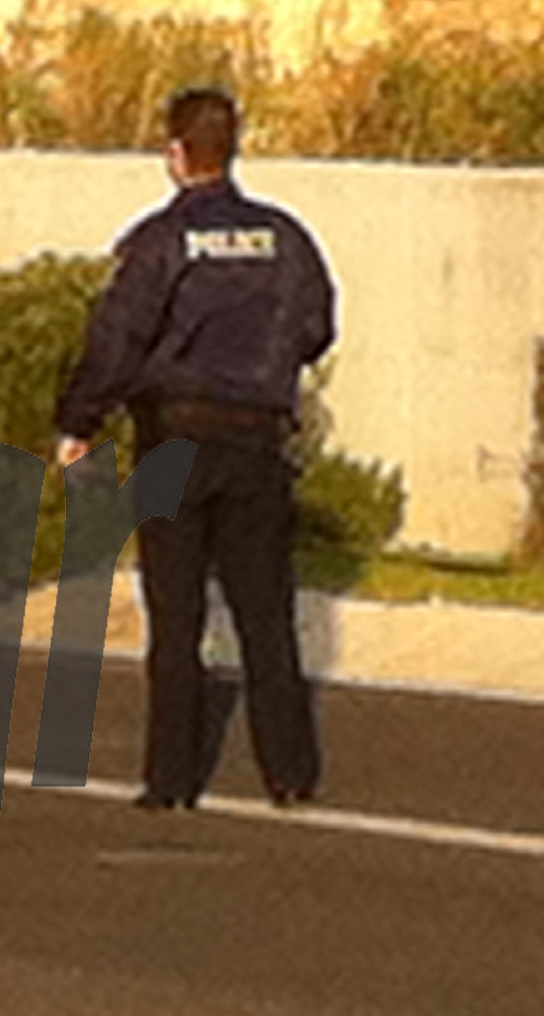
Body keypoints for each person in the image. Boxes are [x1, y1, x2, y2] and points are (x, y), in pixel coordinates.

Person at [52, 85, 338, 810]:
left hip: (174, 439)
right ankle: (291, 774)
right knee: (265, 613)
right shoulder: (286, 238)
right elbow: (316, 327)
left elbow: (117, 341)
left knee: (175, 616)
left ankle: (171, 780)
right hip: (256, 441)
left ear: (177, 154)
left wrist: (80, 422)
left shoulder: (159, 243)